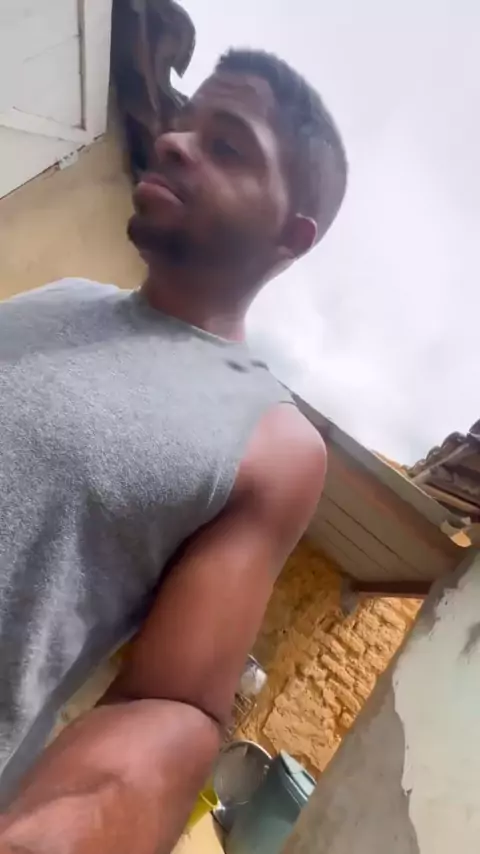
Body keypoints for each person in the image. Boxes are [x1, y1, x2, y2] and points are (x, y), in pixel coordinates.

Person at [0, 49, 347, 854]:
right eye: (184, 125)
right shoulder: (63, 298)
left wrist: (70, 824)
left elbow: (173, 705)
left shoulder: (271, 441)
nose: (172, 141)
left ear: (291, 234)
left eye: (227, 146)